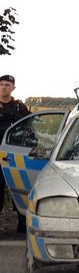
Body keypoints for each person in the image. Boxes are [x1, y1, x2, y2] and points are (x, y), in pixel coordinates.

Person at [0, 75, 31, 216]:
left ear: (13, 88)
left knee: (19, 186)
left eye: (7, 85)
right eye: (1, 84)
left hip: (15, 154)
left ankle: (21, 220)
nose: (4, 87)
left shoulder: (19, 107)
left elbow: (29, 128)